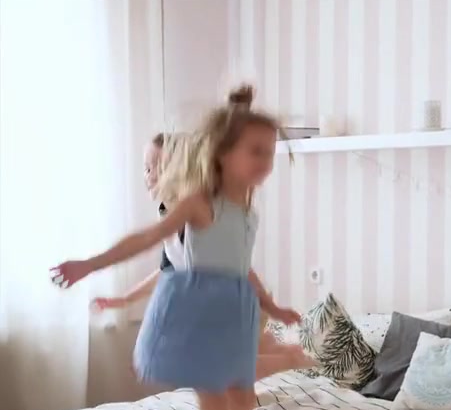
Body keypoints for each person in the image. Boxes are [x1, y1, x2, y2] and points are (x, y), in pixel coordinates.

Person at [51, 85, 297, 410]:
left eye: (270, 153)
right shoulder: (199, 203)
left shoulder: (246, 213)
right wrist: (90, 265)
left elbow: (242, 269)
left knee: (242, 403)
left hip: (234, 316)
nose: (265, 162)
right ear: (222, 153)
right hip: (200, 315)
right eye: (256, 151)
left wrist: (272, 305)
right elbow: (147, 238)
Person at [91, 132, 313, 379]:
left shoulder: (202, 218)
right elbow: (168, 271)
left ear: (181, 172)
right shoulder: (166, 213)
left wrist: (271, 307)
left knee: (219, 371)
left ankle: (290, 359)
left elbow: (241, 268)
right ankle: (282, 351)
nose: (149, 176)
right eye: (146, 168)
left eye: (158, 168)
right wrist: (124, 300)